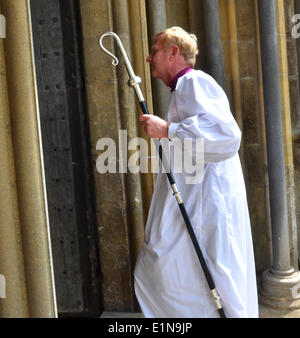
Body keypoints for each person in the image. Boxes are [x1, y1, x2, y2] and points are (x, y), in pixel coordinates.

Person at [134, 26, 258, 318]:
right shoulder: (182, 89)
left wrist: (168, 130)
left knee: (206, 271)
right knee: (175, 270)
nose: (149, 59)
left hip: (208, 202)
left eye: (155, 52)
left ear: (173, 52)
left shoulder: (193, 82)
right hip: (197, 198)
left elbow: (227, 136)